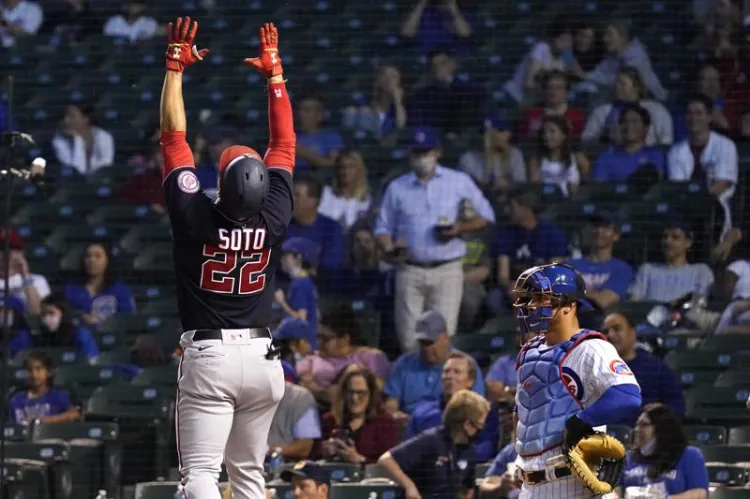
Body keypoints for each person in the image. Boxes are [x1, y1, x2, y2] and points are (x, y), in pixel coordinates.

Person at [159, 19, 294, 499]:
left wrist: (175, 65)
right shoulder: (275, 215)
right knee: (249, 477)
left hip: (211, 355)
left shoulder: (195, 215)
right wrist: (274, 75)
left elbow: (174, 139)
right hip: (263, 358)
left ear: (223, 181)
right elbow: (284, 145)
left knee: (199, 476)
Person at [512, 263, 642, 498]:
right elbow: (522, 412)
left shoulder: (591, 348)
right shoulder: (529, 352)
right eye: (530, 298)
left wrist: (582, 421)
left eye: (541, 298)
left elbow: (628, 396)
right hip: (528, 485)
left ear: (569, 305)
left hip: (572, 483)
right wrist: (520, 458)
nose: (531, 305)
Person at [375, 127, 495, 350]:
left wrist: (459, 228)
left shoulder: (458, 181)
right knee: (409, 342)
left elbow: (486, 216)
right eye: (417, 153)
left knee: (443, 339)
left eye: (426, 151)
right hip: (409, 268)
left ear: (437, 152)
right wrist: (389, 247)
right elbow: (382, 227)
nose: (422, 158)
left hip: (447, 268)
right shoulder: (397, 187)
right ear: (409, 155)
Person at [378, 389, 489, 499]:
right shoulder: (430, 440)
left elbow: (467, 489)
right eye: (479, 424)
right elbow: (386, 460)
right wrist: (409, 487)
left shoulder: (469, 451)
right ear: (467, 425)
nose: (481, 429)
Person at [383, 310, 484, 417]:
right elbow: (391, 404)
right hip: (408, 427)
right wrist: (395, 416)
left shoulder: (464, 363)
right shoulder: (404, 363)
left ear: (446, 338)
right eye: (422, 342)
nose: (426, 348)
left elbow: (476, 406)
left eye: (430, 342)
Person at [407, 352, 500, 461]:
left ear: (470, 381)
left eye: (457, 372)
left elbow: (487, 448)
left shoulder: (486, 412)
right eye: (446, 372)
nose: (450, 376)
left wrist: (454, 457)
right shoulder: (421, 413)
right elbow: (410, 450)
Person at [602, 312, 685, 424]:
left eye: (617, 329)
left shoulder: (655, 367)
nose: (610, 335)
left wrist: (663, 411)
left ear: (633, 333)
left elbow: (678, 406)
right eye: (606, 332)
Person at [297, 303, 390, 400]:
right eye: (318, 337)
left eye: (325, 338)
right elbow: (305, 384)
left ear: (344, 339)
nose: (319, 342)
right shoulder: (312, 358)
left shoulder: (372, 357)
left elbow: (378, 389)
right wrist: (324, 394)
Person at [617, 404, 709, 498]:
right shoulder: (626, 458)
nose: (637, 429)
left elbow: (699, 494)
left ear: (662, 429)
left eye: (644, 425)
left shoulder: (690, 455)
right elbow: (611, 490)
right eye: (636, 425)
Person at [316, 366, 399, 464]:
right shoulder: (329, 420)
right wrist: (323, 451)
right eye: (350, 392)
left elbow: (390, 466)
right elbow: (312, 458)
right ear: (343, 393)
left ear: (371, 394)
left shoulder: (385, 423)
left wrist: (358, 459)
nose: (355, 398)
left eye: (361, 393)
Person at [63, 241, 135, 326]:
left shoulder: (121, 289)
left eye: (98, 256)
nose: (92, 260)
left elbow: (127, 318)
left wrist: (102, 322)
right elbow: (64, 317)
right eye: (88, 256)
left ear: (108, 260)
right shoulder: (71, 289)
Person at [10, 293, 100, 360]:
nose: (46, 318)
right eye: (43, 314)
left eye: (51, 313)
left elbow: (91, 361)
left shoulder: (80, 335)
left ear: (63, 314)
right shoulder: (37, 338)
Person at [8, 350, 80, 424]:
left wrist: (44, 420)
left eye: (38, 369)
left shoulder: (58, 396)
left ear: (48, 372)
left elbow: (75, 415)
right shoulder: (16, 399)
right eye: (30, 370)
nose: (34, 374)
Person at [527, 116, 588, 197]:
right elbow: (535, 190)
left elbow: (586, 185)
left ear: (563, 135)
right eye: (544, 132)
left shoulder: (578, 158)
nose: (546, 136)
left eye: (552, 131)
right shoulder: (536, 160)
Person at [51, 102, 115, 175]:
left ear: (86, 119)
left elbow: (105, 166)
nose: (66, 120)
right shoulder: (59, 140)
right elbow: (77, 170)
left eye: (71, 116)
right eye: (65, 116)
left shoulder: (104, 136)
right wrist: (78, 140)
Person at [317, 150, 372, 232]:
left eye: (351, 167)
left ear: (360, 171)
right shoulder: (326, 194)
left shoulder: (368, 201)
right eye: (342, 167)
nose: (345, 171)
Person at [0, 228, 50, 316]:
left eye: (11, 249)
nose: (6, 254)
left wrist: (25, 276)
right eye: (1, 249)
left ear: (21, 253)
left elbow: (37, 312)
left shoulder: (37, 280)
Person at [267, 381, 321, 462]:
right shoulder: (243, 395)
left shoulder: (302, 396)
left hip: (284, 467)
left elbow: (304, 447)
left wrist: (268, 451)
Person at [275, 237, 319, 334]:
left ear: (298, 257)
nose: (282, 260)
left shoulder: (300, 284)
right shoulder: (305, 281)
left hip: (302, 344)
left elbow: (301, 320)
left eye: (285, 256)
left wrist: (281, 302)